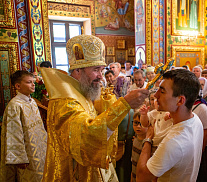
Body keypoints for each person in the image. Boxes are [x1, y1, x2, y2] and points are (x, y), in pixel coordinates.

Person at [40, 35, 149, 181]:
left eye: (102, 70)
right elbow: (86, 136)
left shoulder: (81, 91)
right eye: (96, 69)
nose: (101, 76)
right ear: (78, 70)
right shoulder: (65, 101)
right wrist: (124, 104)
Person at [136, 69, 203, 181]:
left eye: (162, 91)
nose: (156, 95)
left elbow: (141, 177)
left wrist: (147, 140)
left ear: (180, 101)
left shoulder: (175, 141)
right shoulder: (195, 120)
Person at [0, 70, 47, 182]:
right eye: (29, 82)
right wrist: (19, 158)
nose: (33, 84)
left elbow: (40, 127)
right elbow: (14, 133)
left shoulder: (33, 102)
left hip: (39, 148)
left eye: (33, 82)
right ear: (18, 86)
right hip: (27, 153)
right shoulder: (15, 105)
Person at [131, 112, 147, 182]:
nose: (138, 126)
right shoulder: (135, 138)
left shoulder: (148, 144)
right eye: (136, 123)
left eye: (142, 124)